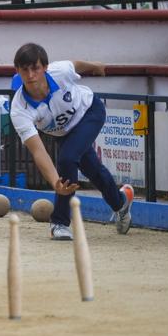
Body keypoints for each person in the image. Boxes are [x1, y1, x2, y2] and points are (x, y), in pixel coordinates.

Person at [9, 43, 134, 240]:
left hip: (89, 112)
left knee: (67, 159)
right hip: (64, 132)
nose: (31, 75)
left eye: (36, 68)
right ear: (17, 71)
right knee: (92, 169)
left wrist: (95, 66)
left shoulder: (60, 72)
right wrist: (55, 182)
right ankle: (120, 202)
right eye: (25, 70)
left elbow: (75, 65)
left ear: (45, 68)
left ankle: (59, 223)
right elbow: (38, 150)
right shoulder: (19, 109)